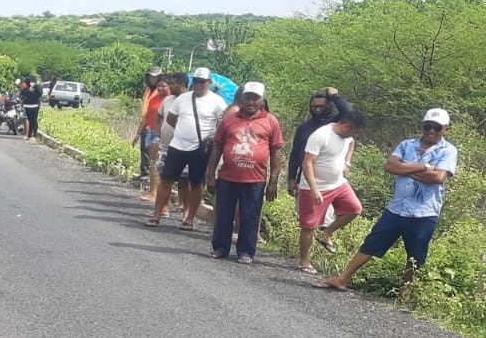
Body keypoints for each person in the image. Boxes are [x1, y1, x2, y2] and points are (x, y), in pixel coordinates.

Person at [318, 109, 458, 292]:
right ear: (422, 126)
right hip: (396, 208)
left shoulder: (449, 151)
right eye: (427, 126)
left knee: (415, 256)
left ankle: (405, 292)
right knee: (371, 244)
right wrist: (423, 168)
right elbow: (390, 166)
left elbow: (438, 177)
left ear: (445, 129)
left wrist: (404, 168)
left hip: (424, 212)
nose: (431, 131)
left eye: (436, 127)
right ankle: (342, 279)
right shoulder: (406, 145)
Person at [205, 82, 283, 264]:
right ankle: (220, 248)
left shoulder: (271, 121)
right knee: (224, 214)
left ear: (262, 100)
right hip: (227, 176)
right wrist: (210, 175)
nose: (251, 101)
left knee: (250, 216)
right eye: (247, 97)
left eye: (255, 98)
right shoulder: (229, 119)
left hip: (255, 179)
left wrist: (273, 181)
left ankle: (246, 252)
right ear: (241, 99)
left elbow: (276, 152)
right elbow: (217, 147)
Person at [148, 68, 225, 228]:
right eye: (196, 81)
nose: (198, 84)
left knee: (196, 183)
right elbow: (171, 117)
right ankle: (157, 215)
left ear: (209, 83)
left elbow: (222, 124)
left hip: (200, 149)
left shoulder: (217, 102)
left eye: (202, 82)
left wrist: (209, 139)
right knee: (166, 180)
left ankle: (189, 219)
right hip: (177, 146)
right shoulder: (182, 99)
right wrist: (183, 130)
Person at [295, 110, 366, 273]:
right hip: (315, 186)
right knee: (309, 225)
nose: (355, 135)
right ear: (346, 126)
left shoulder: (347, 136)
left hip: (338, 183)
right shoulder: (321, 135)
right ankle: (303, 261)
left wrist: (347, 163)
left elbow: (351, 143)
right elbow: (307, 163)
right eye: (355, 131)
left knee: (354, 209)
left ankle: (326, 233)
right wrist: (313, 189)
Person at [287, 88, 350, 194]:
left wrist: (334, 96)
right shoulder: (304, 127)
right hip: (305, 180)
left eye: (322, 107)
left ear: (329, 107)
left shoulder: (336, 123)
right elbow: (295, 154)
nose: (317, 109)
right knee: (305, 210)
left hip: (330, 182)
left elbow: (348, 112)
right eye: (314, 106)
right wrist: (291, 178)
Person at [137, 73, 169, 193]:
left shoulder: (171, 100)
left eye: (164, 86)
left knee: (156, 163)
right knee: (151, 161)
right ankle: (153, 190)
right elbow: (147, 115)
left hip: (161, 133)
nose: (160, 88)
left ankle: (156, 192)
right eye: (159, 86)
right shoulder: (153, 97)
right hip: (150, 130)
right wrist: (138, 132)